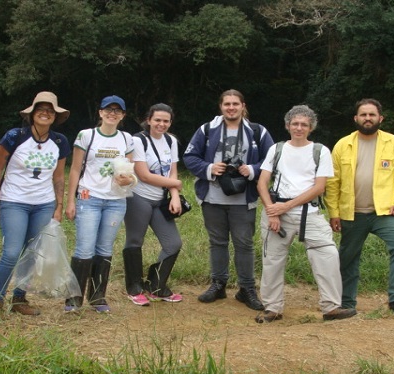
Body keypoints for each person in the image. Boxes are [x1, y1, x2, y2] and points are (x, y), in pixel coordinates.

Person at [255, 105, 357, 323]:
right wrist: (272, 211)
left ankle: (331, 307)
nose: (299, 128)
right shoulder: (277, 149)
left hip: (308, 213)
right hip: (276, 212)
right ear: (287, 125)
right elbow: (262, 182)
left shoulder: (320, 151)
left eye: (303, 124)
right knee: (272, 260)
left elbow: (319, 187)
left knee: (327, 255)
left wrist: (285, 206)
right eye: (295, 123)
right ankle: (272, 308)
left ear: (311, 127)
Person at [325, 98, 394, 318]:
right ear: (355, 118)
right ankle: (345, 303)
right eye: (363, 114)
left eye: (371, 115)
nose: (367, 118)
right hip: (352, 213)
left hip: (385, 212)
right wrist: (334, 213)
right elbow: (333, 183)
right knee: (348, 258)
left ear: (380, 118)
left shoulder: (393, 143)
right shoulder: (343, 145)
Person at [183, 89, 274, 311]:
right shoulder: (207, 130)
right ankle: (218, 283)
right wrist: (210, 168)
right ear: (221, 107)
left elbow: (272, 158)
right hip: (213, 196)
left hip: (244, 198)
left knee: (244, 244)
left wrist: (251, 169)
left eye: (235, 104)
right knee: (217, 242)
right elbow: (189, 157)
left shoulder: (257, 131)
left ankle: (246, 288)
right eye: (227, 104)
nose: (231, 108)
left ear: (243, 106)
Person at [0, 91, 71, 320]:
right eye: (41, 109)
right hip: (14, 201)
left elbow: (59, 176)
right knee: (12, 252)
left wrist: (58, 206)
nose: (45, 113)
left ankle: (19, 298)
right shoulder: (15, 136)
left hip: (43, 204)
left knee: (32, 253)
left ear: (55, 116)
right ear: (32, 113)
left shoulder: (59, 141)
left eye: (50, 110)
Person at [65, 95, 136, 313]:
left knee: (104, 249)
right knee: (84, 248)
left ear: (123, 115)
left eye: (117, 110)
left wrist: (129, 180)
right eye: (108, 109)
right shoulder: (87, 135)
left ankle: (98, 298)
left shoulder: (126, 139)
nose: (112, 113)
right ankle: (73, 299)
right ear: (100, 112)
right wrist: (70, 200)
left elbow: (131, 171)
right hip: (89, 198)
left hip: (116, 201)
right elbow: (75, 169)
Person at [123, 103, 184, 306]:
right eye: (157, 120)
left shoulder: (171, 141)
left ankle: (156, 285)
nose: (161, 124)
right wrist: (175, 183)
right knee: (134, 241)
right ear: (148, 120)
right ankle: (134, 287)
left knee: (173, 243)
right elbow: (144, 175)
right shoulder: (138, 140)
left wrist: (174, 194)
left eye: (166, 121)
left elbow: (172, 171)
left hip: (160, 199)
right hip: (138, 196)